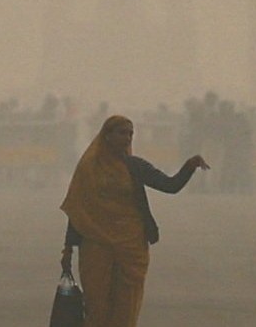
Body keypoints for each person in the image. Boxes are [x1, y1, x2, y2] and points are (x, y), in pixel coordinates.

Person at [59, 114, 209, 327]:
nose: (128, 137)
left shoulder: (135, 166)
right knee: (96, 308)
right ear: (107, 136)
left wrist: (190, 166)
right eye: (122, 132)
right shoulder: (88, 169)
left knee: (126, 309)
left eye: (131, 133)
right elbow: (78, 209)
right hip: (95, 246)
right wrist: (68, 249)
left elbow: (170, 185)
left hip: (131, 246)